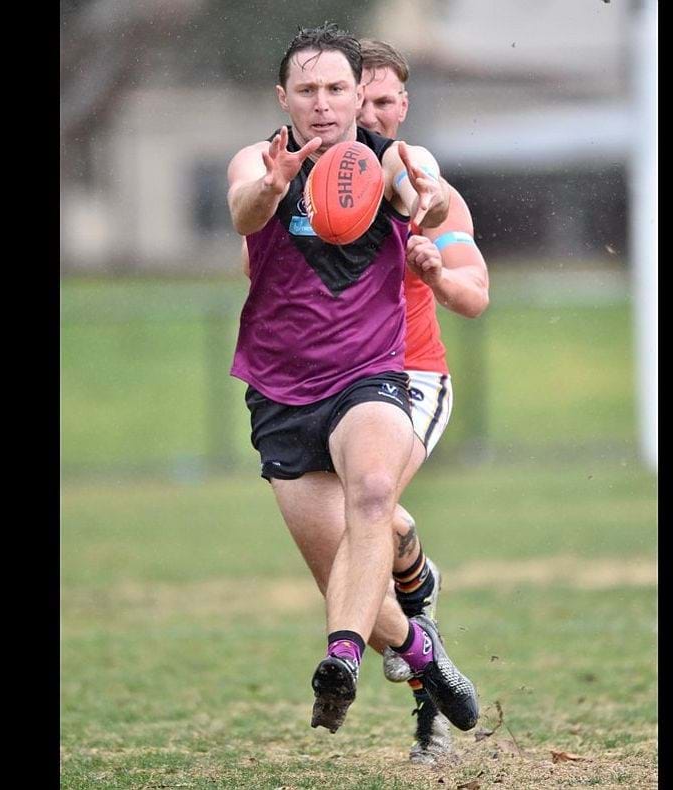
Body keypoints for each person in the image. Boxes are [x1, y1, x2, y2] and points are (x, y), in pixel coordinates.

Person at [225, 23, 478, 735]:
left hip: (369, 376)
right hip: (279, 391)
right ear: (284, 96)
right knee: (350, 587)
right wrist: (270, 191)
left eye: (338, 88)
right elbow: (242, 208)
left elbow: (417, 198)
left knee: (372, 494)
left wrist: (425, 204)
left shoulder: (392, 158)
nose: (325, 103)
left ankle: (339, 660)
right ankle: (416, 646)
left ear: (355, 94)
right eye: (308, 89)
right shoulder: (256, 159)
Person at [357, 37, 490, 762]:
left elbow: (474, 298)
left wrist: (436, 273)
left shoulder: (429, 187)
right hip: (332, 382)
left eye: (385, 101)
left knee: (361, 522)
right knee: (371, 532)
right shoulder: (317, 185)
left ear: (402, 105)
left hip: (411, 377)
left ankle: (427, 713)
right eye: (360, 100)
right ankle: (417, 584)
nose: (371, 115)